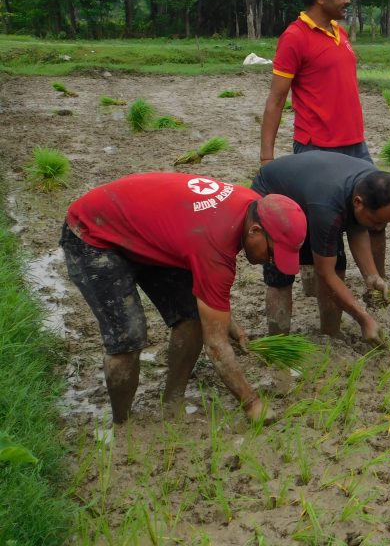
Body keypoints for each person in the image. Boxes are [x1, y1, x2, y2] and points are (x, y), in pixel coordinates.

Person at [60, 173, 306, 425]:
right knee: (128, 339)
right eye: (273, 253)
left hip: (147, 232)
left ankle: (172, 401)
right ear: (255, 230)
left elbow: (207, 292)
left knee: (192, 319)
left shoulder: (257, 206)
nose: (271, 262)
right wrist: (252, 403)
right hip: (93, 233)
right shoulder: (215, 244)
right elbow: (216, 346)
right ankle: (122, 423)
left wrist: (227, 321)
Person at [260, 0, 387, 291]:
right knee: (324, 224)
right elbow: (276, 100)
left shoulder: (338, 32)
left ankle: (376, 284)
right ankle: (321, 285)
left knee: (376, 214)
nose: (348, 0)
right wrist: (267, 158)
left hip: (355, 146)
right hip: (317, 150)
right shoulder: (294, 38)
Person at [251, 152, 390, 343]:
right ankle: (278, 343)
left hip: (313, 194)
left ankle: (330, 334)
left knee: (338, 263)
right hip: (274, 195)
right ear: (358, 203)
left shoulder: (374, 185)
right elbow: (325, 273)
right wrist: (364, 319)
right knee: (281, 275)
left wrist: (372, 275)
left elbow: (358, 228)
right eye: (377, 221)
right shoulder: (329, 208)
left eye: (385, 223)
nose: (379, 229)